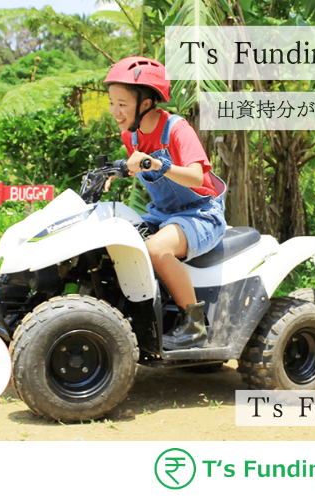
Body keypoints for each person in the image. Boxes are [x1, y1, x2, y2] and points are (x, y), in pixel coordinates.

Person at [103, 56, 227, 350]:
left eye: (122, 104)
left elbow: (196, 177)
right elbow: (137, 166)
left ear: (145, 103)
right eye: (112, 103)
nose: (115, 111)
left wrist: (158, 164)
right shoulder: (130, 136)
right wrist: (115, 172)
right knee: (113, 238)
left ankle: (195, 327)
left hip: (201, 214)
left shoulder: (176, 129)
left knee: (156, 249)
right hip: (163, 215)